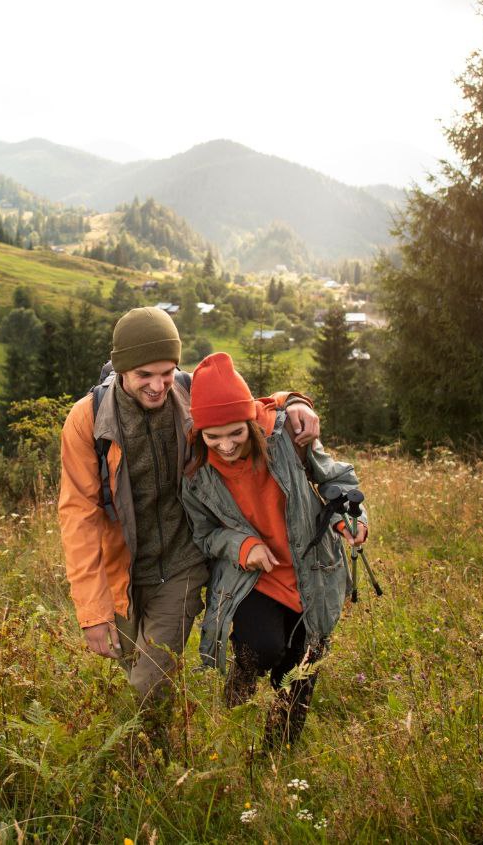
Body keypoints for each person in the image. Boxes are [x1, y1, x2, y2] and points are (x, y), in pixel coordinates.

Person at [57, 308, 320, 743]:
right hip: (121, 572)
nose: (159, 385)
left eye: (167, 371)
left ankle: (131, 762)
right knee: (138, 671)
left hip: (180, 565)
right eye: (145, 374)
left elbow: (247, 406)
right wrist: (92, 611)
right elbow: (78, 515)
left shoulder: (188, 392)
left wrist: (296, 402)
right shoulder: (88, 420)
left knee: (147, 682)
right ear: (121, 367)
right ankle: (162, 750)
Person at [180, 352, 367, 749]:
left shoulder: (285, 441)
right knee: (261, 648)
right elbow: (204, 535)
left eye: (235, 433)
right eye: (213, 437)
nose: (226, 445)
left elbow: (336, 479)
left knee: (301, 667)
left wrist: (351, 518)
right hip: (253, 580)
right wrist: (243, 546)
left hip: (312, 573)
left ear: (250, 423)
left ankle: (277, 755)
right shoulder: (196, 476)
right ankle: (237, 697)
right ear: (199, 433)